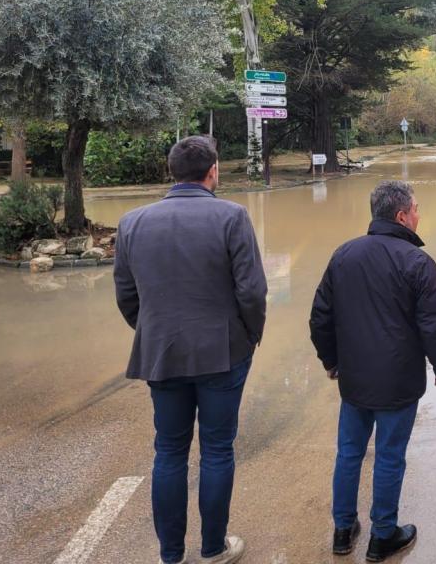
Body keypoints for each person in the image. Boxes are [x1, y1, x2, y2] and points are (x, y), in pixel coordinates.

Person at [114, 136, 267, 564]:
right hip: (223, 353)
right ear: (213, 171)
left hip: (162, 353)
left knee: (169, 450)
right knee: (217, 449)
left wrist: (153, 330)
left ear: (172, 171)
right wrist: (250, 336)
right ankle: (214, 549)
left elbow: (127, 295)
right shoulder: (232, 216)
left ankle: (171, 555)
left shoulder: (131, 223)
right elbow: (252, 291)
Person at [309, 180, 436, 562]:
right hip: (398, 382)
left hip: (355, 379)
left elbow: (320, 317)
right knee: (390, 457)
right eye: (417, 209)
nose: (420, 215)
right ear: (402, 216)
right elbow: (435, 326)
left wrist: (331, 361)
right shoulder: (418, 262)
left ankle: (343, 530)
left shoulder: (345, 255)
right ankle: (383, 535)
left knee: (349, 453)